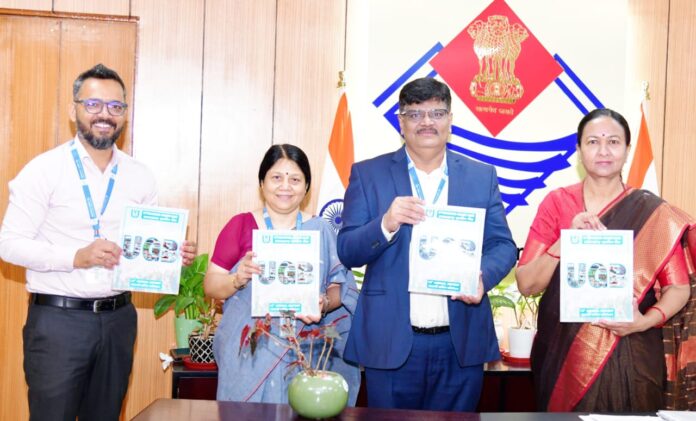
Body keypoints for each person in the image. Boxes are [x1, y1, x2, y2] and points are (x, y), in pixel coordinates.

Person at [0, 63, 196, 421]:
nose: (105, 114)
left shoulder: (140, 176)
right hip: (58, 321)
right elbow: (9, 244)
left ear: (124, 114)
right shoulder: (44, 170)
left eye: (115, 106)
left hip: (118, 320)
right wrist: (76, 256)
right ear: (73, 109)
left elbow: (145, 248)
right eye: (93, 104)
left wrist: (169, 255)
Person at [337, 77, 517, 411]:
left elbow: (503, 246)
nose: (426, 122)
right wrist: (385, 223)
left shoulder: (481, 176)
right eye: (415, 114)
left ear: (450, 120)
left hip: (460, 342)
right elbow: (347, 250)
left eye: (436, 113)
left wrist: (481, 277)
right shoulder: (369, 174)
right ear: (401, 122)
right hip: (390, 342)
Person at [516, 108, 696, 412]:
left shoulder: (652, 212)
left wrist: (644, 321)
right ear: (579, 150)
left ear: (627, 150)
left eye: (613, 142)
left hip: (633, 353)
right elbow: (527, 283)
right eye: (593, 142)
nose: (603, 151)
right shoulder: (557, 203)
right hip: (563, 355)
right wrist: (565, 241)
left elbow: (678, 288)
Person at [204, 143, 360, 404]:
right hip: (249, 355)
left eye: (295, 179)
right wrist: (238, 279)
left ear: (306, 187)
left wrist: (323, 304)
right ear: (262, 183)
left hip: (307, 352)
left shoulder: (321, 229)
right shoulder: (240, 226)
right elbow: (210, 285)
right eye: (276, 177)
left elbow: (340, 289)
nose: (285, 186)